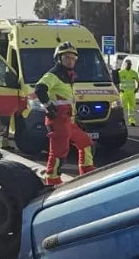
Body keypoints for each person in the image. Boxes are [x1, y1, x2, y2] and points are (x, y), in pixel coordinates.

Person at [35, 42, 95, 186]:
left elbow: (67, 100)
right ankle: (52, 179)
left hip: (69, 121)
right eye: (67, 57)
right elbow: (39, 89)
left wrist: (75, 118)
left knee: (85, 142)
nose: (71, 61)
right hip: (58, 121)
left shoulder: (67, 76)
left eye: (73, 58)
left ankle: (87, 171)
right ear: (59, 58)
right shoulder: (53, 75)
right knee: (58, 153)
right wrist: (49, 107)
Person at [117, 58, 139, 127]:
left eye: (130, 64)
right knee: (122, 108)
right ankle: (121, 121)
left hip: (132, 93)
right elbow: (116, 82)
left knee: (132, 108)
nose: (129, 66)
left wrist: (137, 89)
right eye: (128, 64)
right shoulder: (120, 73)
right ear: (125, 65)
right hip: (124, 93)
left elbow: (138, 81)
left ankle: (132, 121)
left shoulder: (134, 73)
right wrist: (119, 89)